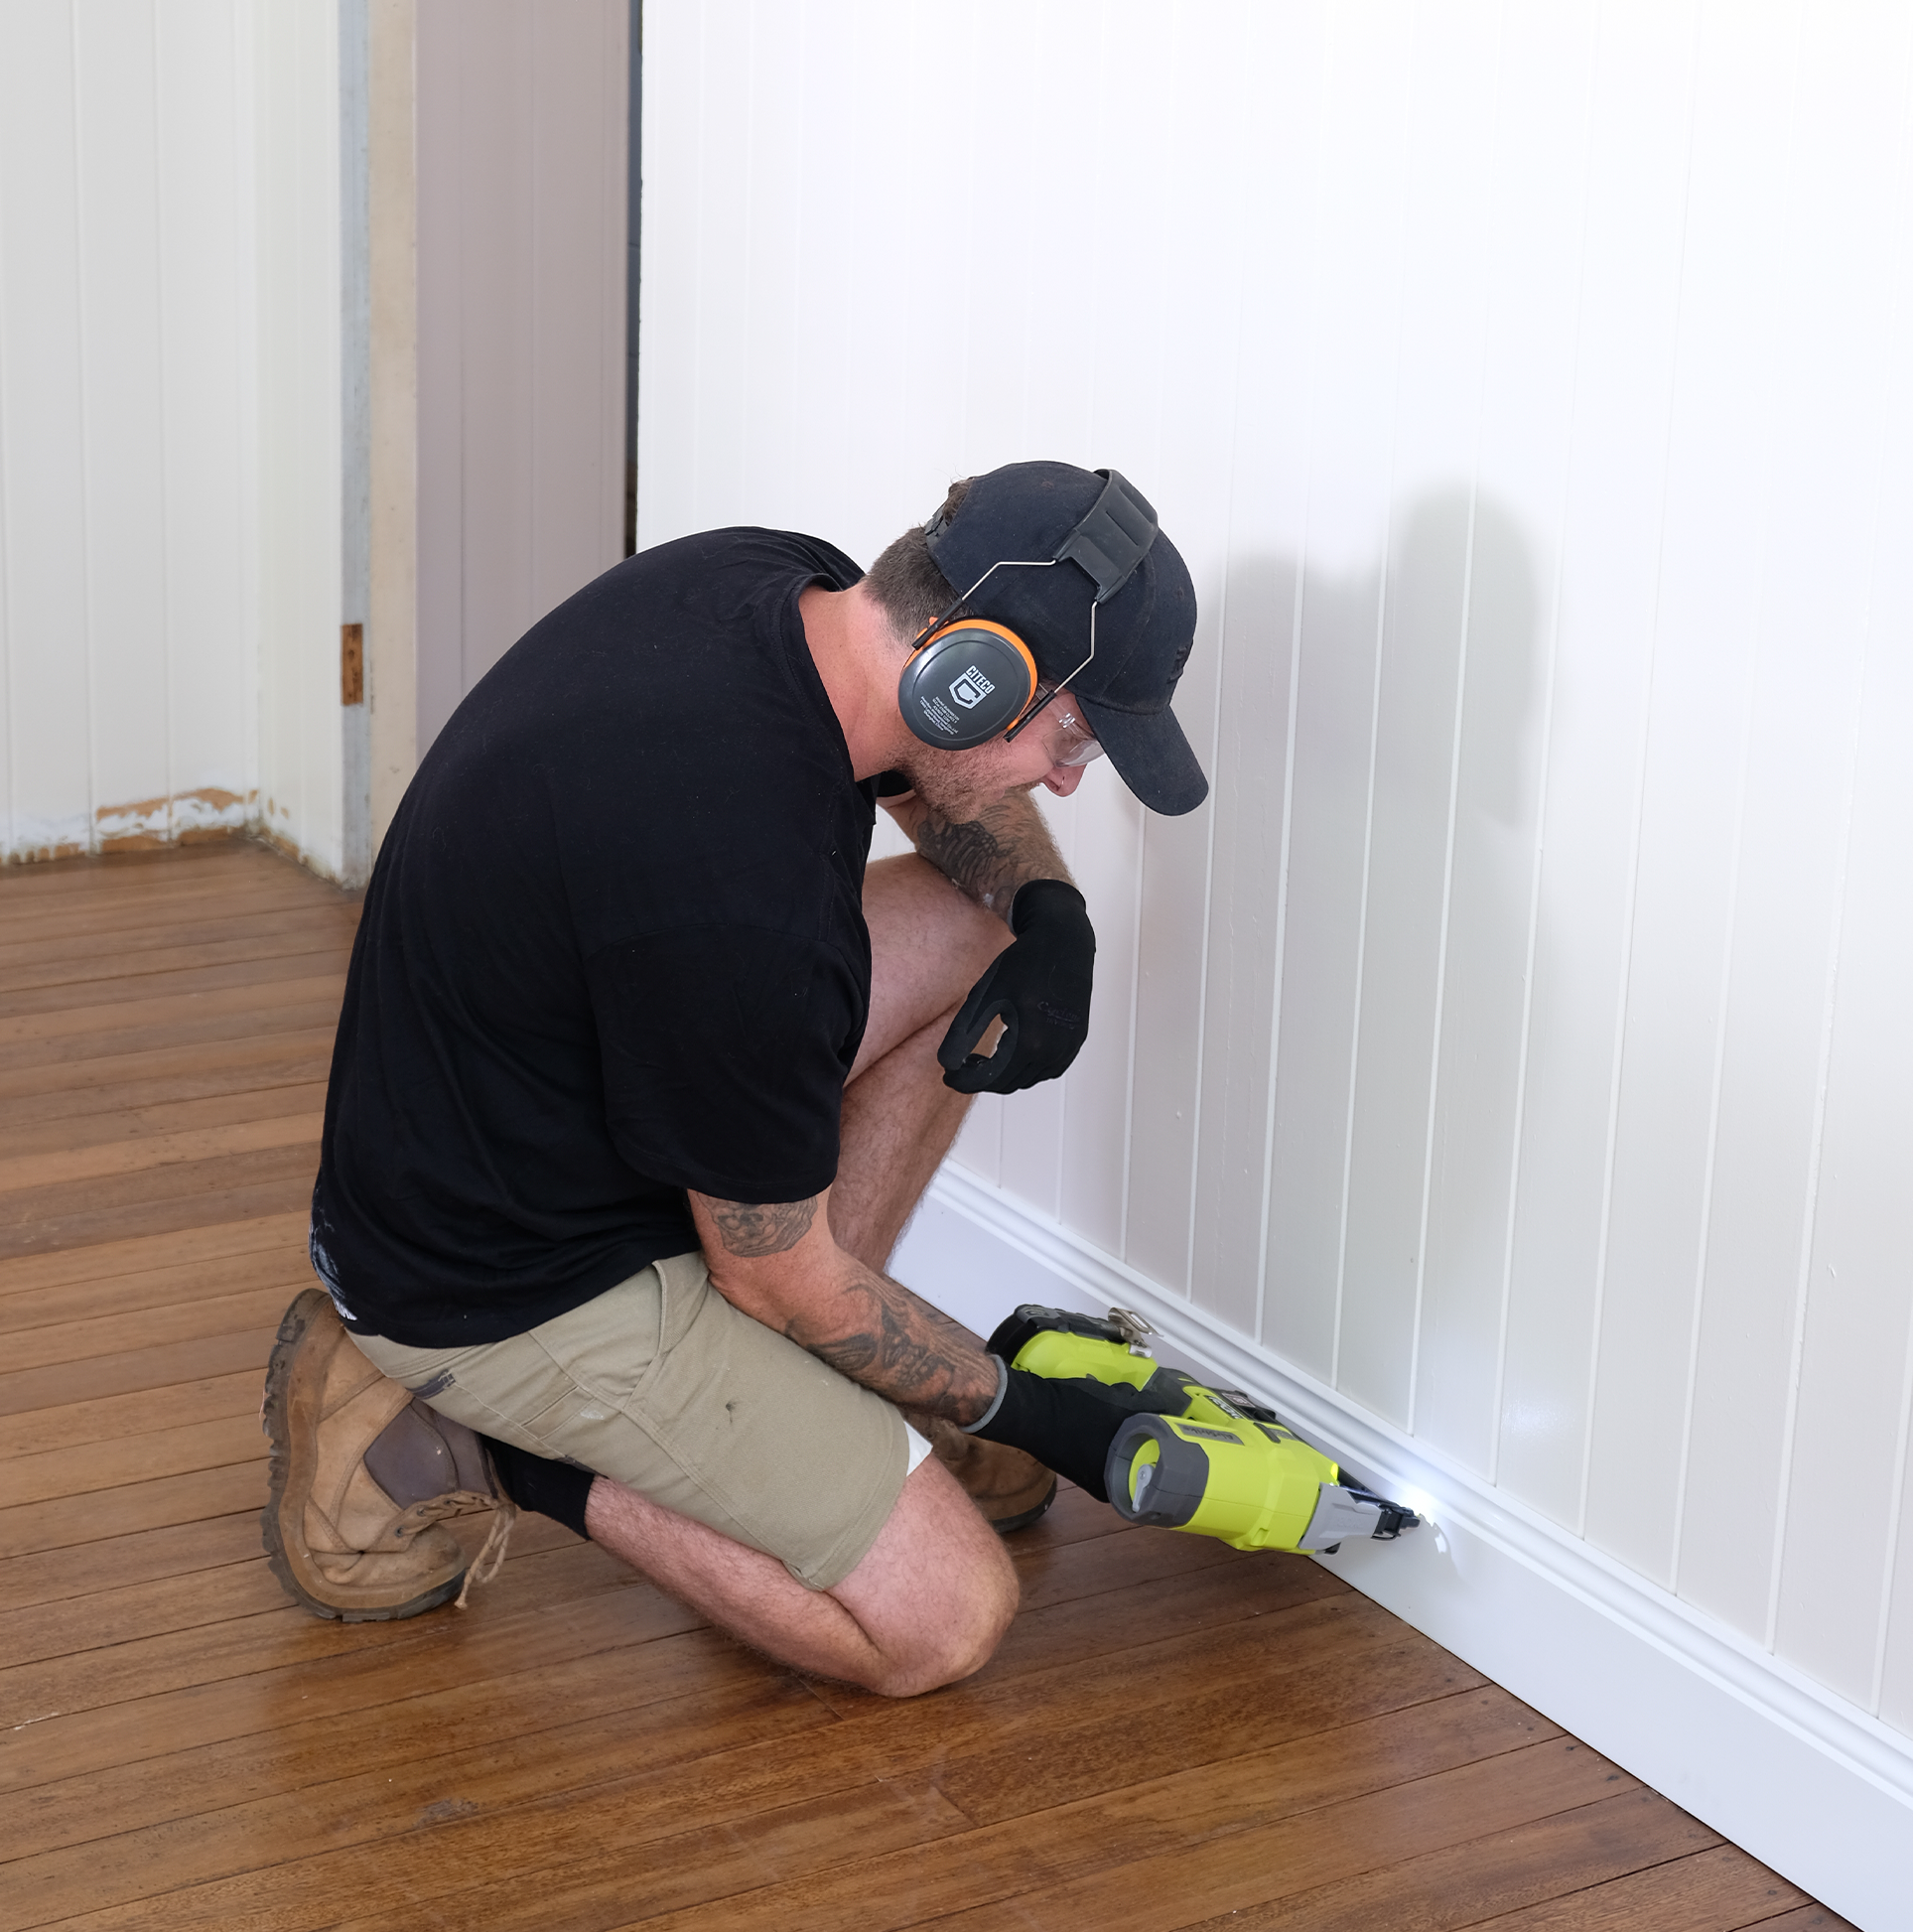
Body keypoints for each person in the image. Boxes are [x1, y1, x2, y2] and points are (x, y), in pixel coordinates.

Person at [263, 461, 1207, 1698]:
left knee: (975, 928)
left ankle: (801, 1423)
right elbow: (778, 1275)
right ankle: (471, 1442)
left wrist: (1047, 911)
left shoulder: (778, 586)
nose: (1072, 778)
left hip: (547, 1110)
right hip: (496, 1281)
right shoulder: (736, 893)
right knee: (946, 1616)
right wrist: (1019, 1406)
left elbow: (927, 792)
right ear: (968, 673)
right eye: (1072, 733)